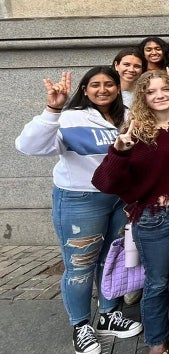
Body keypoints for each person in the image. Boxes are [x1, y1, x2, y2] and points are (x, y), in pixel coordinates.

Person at [16, 68, 143, 354]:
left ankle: (109, 314)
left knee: (113, 258)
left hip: (119, 200)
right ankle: (81, 324)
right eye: (95, 85)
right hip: (80, 200)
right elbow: (28, 146)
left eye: (108, 84)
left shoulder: (127, 116)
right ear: (84, 90)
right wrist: (52, 109)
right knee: (80, 265)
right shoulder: (69, 117)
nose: (102, 89)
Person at [92, 70, 169, 354]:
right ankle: (157, 342)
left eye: (165, 89)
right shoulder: (135, 133)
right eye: (151, 91)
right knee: (158, 283)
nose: (160, 95)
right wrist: (119, 151)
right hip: (154, 218)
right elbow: (104, 182)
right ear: (143, 97)